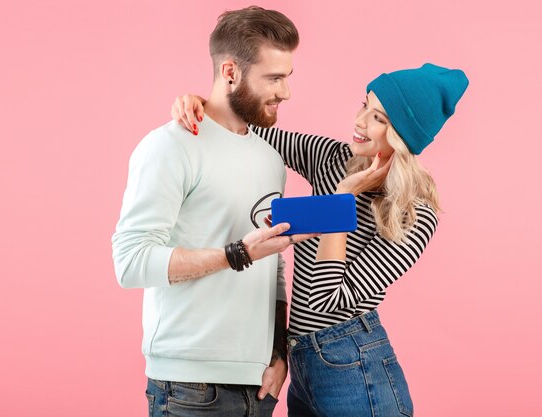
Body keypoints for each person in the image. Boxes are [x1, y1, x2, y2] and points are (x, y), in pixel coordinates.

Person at [171, 63, 469, 416]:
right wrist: (202, 104)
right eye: (364, 106)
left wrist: (340, 201)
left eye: (379, 119)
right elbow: (245, 129)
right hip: (304, 367)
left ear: (404, 137)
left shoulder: (413, 214)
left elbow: (328, 298)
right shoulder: (331, 158)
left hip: (356, 367)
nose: (360, 122)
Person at [111, 6, 318, 417]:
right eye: (273, 78)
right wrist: (236, 253)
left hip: (259, 385)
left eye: (287, 77)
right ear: (230, 72)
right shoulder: (170, 146)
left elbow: (272, 263)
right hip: (190, 386)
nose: (285, 92)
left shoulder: (270, 157)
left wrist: (278, 355)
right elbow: (130, 262)